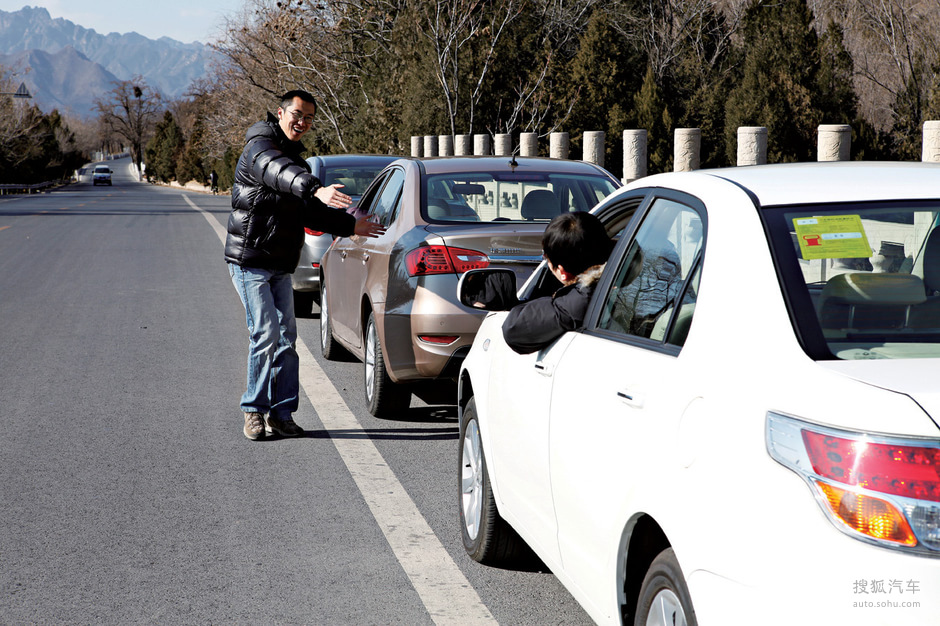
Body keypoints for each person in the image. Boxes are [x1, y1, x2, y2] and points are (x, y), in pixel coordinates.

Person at [224, 89, 386, 440]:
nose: (302, 122)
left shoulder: (297, 159)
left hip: (280, 263)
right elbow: (277, 172)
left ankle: (281, 414)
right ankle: (254, 411)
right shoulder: (260, 148)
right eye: (297, 114)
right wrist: (315, 187)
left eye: (309, 118)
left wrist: (350, 225)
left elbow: (308, 211)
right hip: (249, 260)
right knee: (265, 332)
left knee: (287, 338)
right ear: (281, 113)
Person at [501, 211, 613, 354]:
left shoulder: (579, 302)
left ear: (562, 272)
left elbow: (514, 329)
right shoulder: (631, 275)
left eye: (546, 258)